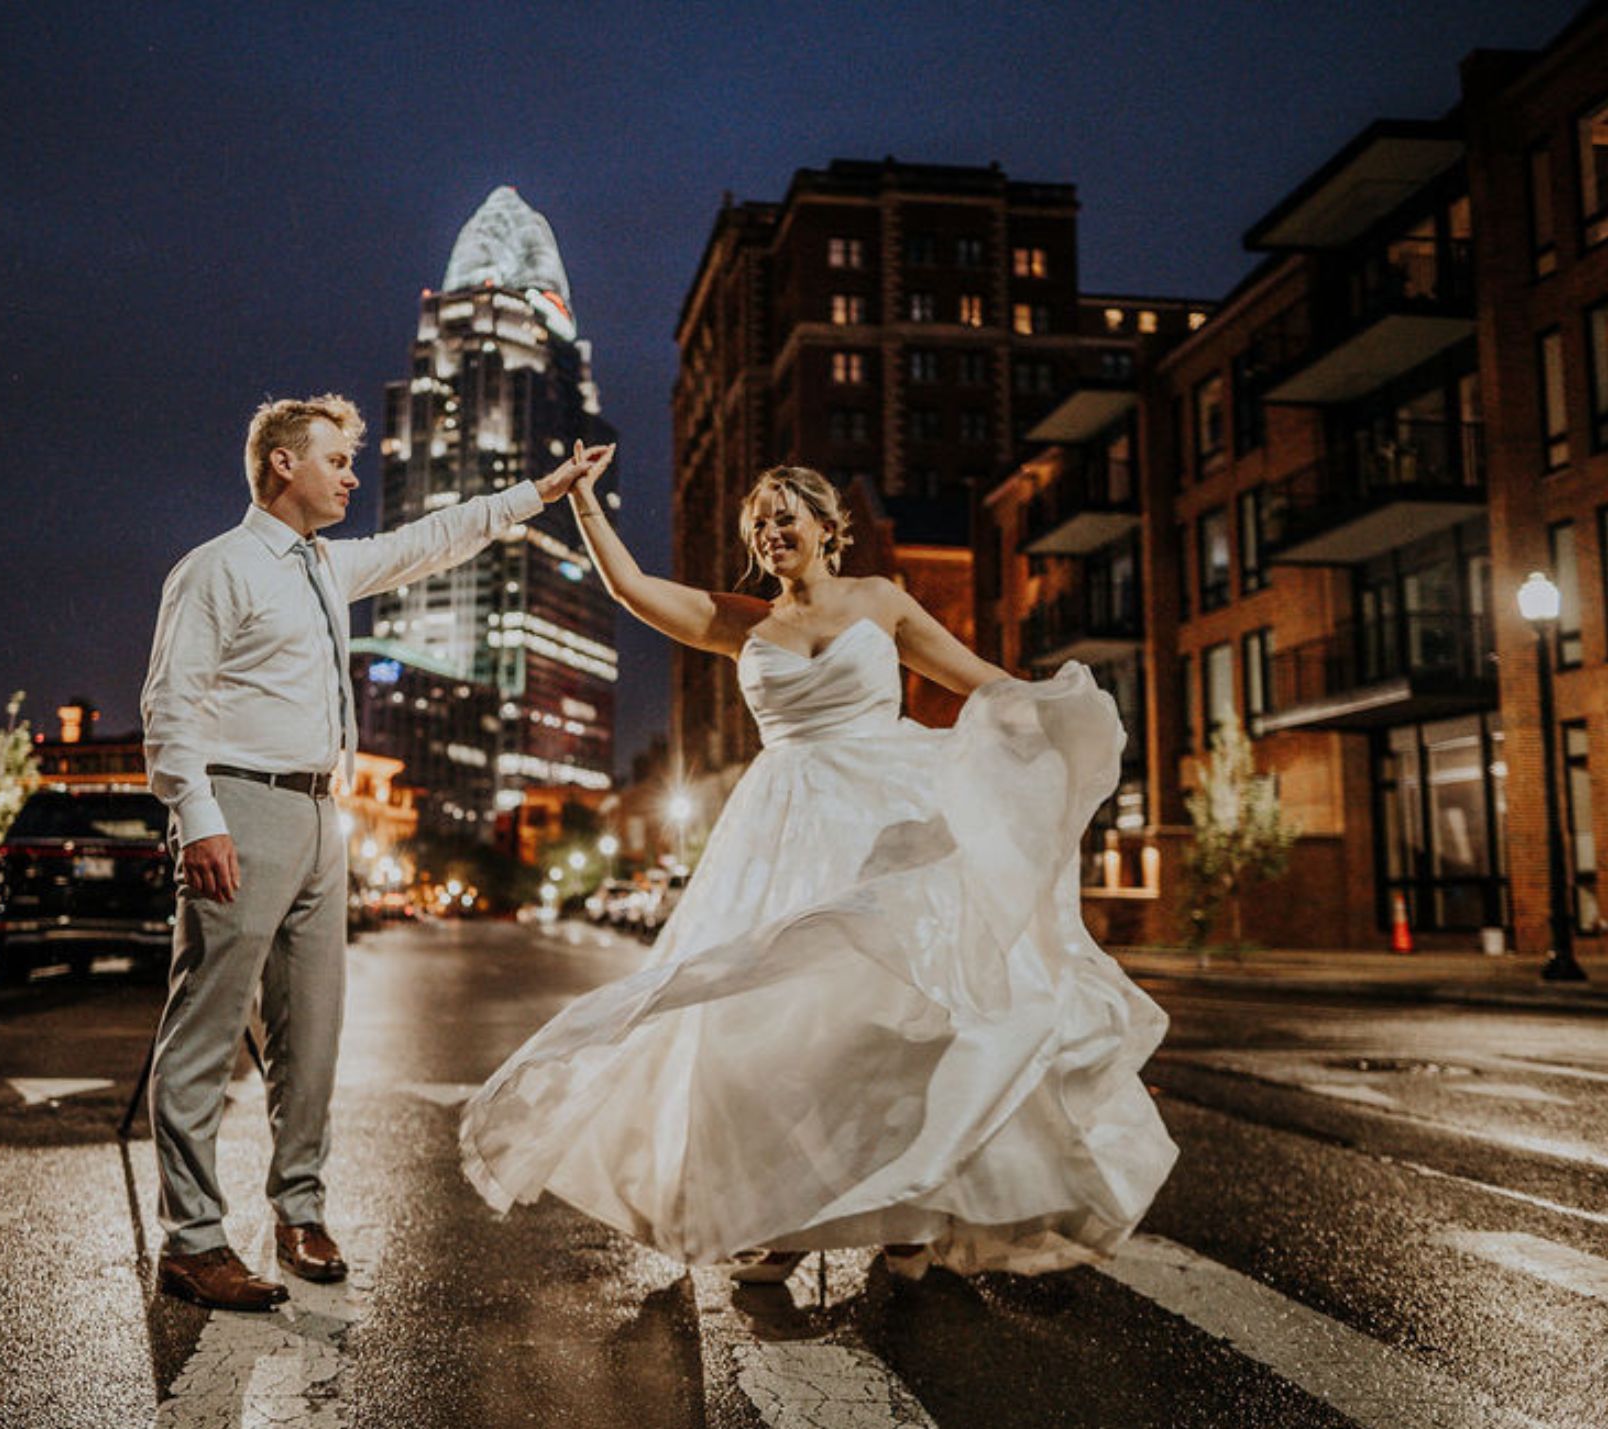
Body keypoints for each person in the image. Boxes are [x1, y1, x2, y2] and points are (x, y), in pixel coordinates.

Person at [460, 458, 1178, 1282]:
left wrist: (1057, 715)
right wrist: (582, 500)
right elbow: (630, 590)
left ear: (828, 527)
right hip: (782, 828)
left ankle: (907, 1213)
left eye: (784, 515)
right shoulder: (743, 622)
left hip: (885, 817)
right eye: (758, 522)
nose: (770, 532)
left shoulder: (883, 601)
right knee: (771, 1027)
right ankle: (785, 1220)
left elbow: (979, 684)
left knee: (902, 1018)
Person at [141, 393, 609, 1311]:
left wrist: (537, 494)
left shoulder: (325, 566)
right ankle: (193, 1239)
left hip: (323, 817)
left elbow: (433, 538)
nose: (353, 476)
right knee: (205, 1028)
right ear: (283, 464)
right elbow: (169, 706)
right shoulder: (218, 568)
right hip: (241, 803)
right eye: (337, 460)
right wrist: (197, 817)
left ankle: (299, 1211)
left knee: (312, 1031)